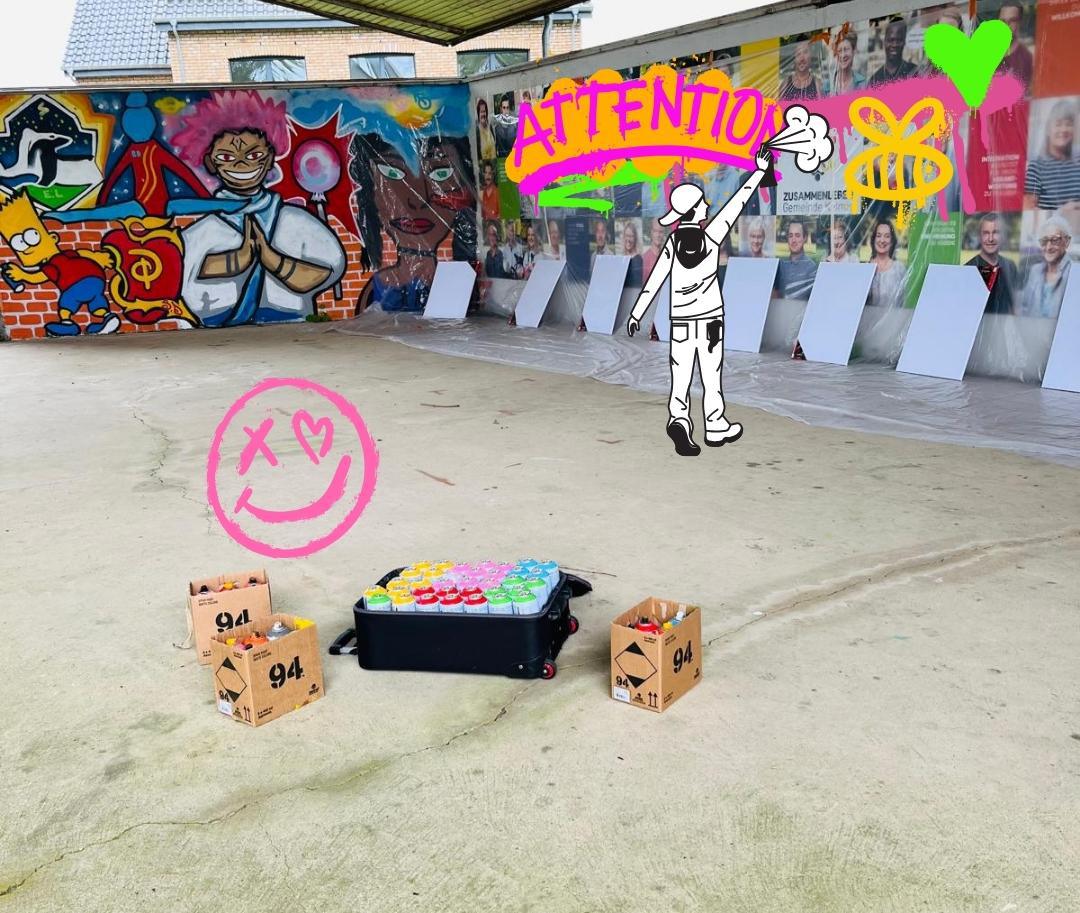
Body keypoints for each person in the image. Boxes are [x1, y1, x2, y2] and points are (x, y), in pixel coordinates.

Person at [626, 148, 772, 456]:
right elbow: (736, 204)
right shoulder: (712, 236)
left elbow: (655, 281)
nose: (707, 206)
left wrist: (636, 313)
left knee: (680, 377)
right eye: (702, 203)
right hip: (709, 321)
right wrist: (759, 172)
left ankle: (679, 418)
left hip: (680, 322)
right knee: (711, 375)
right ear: (695, 210)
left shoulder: (671, 243)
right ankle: (715, 425)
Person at [172, 91, 346, 326]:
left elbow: (328, 269)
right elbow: (181, 273)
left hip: (293, 326)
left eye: (254, 155)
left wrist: (272, 259)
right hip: (217, 329)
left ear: (270, 158)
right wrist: (238, 259)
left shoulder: (295, 221)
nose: (241, 164)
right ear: (211, 163)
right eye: (226, 157)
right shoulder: (203, 232)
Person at [350, 131, 476, 313]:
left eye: (441, 173)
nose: (417, 200)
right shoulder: (381, 283)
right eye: (392, 172)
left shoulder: (455, 280)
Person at [0, 190, 119, 336]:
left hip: (74, 285)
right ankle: (108, 317)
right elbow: (83, 253)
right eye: (19, 244)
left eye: (32, 237)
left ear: (53, 238)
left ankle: (67, 324)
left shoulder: (52, 265)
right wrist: (99, 257)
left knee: (66, 304)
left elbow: (38, 277)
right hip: (97, 279)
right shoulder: (68, 253)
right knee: (96, 300)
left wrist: (22, 275)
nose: (28, 247)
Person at [1024, 100, 1080, 211]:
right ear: (1049, 129)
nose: (1064, 129)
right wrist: (1062, 212)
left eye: (1069, 124)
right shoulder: (1036, 165)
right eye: (1058, 124)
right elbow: (1029, 210)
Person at [965, 213, 1019, 314]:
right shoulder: (969, 269)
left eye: (995, 232)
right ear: (980, 236)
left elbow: (1014, 306)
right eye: (986, 233)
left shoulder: (1010, 266)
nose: (990, 238)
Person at [1020, 215, 1073, 318]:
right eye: (1044, 241)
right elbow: (1025, 308)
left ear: (1067, 242)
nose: (1048, 247)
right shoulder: (1035, 271)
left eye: (1055, 240)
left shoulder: (1074, 273)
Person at [867, 218, 907, 308]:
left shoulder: (899, 269)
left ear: (892, 241)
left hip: (893, 316)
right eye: (879, 236)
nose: (882, 240)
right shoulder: (866, 268)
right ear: (874, 239)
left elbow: (904, 300)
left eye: (887, 236)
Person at [773, 219, 818, 299]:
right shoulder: (781, 265)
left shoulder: (811, 268)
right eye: (790, 236)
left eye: (797, 235)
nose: (793, 240)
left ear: (804, 238)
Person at [868, 19, 918, 86]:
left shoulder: (914, 72)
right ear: (884, 41)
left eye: (899, 40)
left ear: (904, 42)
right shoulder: (874, 80)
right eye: (891, 40)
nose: (894, 45)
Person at [998, 3, 1033, 89]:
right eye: (1003, 21)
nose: (1006, 25)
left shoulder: (1026, 58)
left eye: (1012, 20)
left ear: (1020, 22)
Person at [493, 94, 518, 158]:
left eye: (507, 107)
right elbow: (496, 148)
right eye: (504, 108)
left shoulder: (515, 126)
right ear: (501, 109)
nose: (506, 111)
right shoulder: (496, 129)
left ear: (509, 108)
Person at [621, 220, 644, 286]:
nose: (628, 239)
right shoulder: (623, 258)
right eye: (626, 235)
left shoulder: (638, 260)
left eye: (631, 236)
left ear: (635, 238)